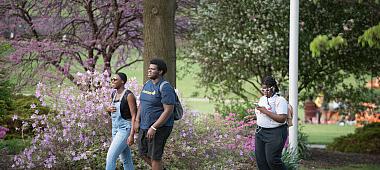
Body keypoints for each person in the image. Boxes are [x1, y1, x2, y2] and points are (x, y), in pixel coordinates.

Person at [134, 58, 176, 170]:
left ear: (160, 72)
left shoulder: (165, 87)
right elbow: (142, 103)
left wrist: (154, 127)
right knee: (143, 153)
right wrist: (137, 120)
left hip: (160, 127)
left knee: (155, 157)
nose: (149, 71)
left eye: (152, 69)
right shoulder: (147, 84)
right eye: (149, 69)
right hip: (144, 125)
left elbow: (168, 110)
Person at [255, 75, 288, 170]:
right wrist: (253, 117)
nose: (264, 91)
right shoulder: (262, 99)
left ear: (273, 88)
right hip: (260, 132)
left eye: (267, 89)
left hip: (275, 133)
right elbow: (263, 114)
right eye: (263, 89)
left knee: (272, 160)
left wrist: (265, 111)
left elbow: (282, 118)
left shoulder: (280, 100)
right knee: (261, 161)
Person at [105, 72, 137, 170]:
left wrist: (132, 135)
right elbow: (114, 113)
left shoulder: (129, 95)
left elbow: (134, 116)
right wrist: (108, 110)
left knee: (110, 157)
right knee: (125, 159)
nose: (112, 81)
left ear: (122, 81)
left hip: (125, 129)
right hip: (115, 129)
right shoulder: (114, 94)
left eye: (115, 80)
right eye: (112, 80)